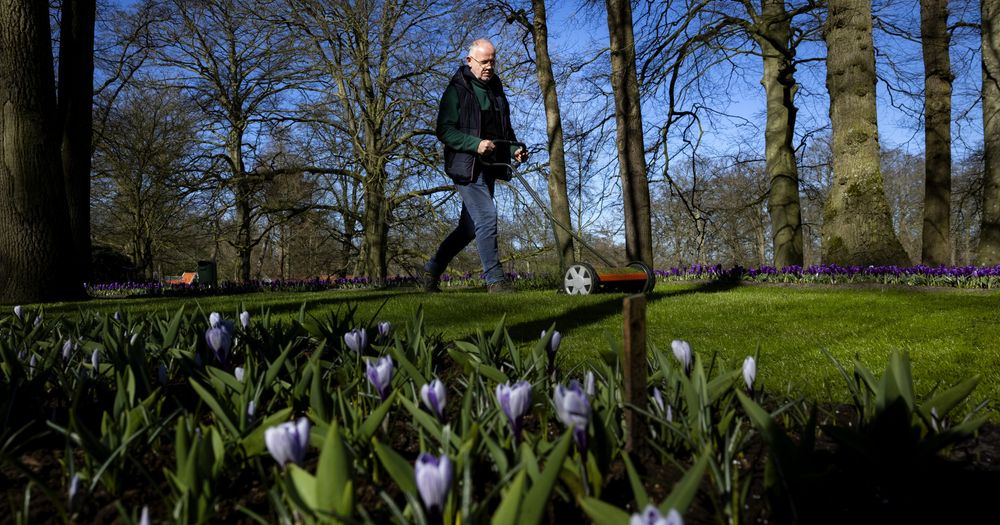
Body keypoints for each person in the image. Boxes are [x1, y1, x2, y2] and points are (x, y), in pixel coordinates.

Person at [423, 38, 528, 293]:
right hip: (466, 166)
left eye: (493, 61)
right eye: (484, 62)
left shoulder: (496, 89)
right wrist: (475, 144)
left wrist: (514, 150)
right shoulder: (456, 90)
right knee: (487, 217)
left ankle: (431, 271)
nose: (489, 66)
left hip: (489, 166)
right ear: (470, 61)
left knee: (468, 229)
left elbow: (504, 131)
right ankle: (496, 281)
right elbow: (444, 130)